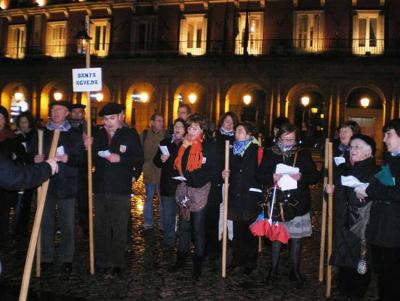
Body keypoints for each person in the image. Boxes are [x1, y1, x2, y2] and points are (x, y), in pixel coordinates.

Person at [258, 123, 319, 287]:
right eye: (285, 139)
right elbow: (260, 175)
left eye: (291, 139)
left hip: (298, 201)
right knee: (277, 238)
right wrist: (272, 177)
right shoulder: (270, 153)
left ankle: (295, 271)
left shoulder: (303, 154)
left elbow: (314, 176)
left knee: (296, 239)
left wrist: (301, 176)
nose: (288, 143)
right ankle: (274, 270)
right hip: (278, 202)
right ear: (279, 138)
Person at [31, 101, 83, 272]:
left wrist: (69, 159)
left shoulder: (75, 134)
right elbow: (31, 153)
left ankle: (67, 257)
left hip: (67, 184)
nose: (55, 112)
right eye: (52, 110)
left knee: (67, 223)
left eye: (59, 110)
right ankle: (46, 257)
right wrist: (35, 159)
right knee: (45, 222)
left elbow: (81, 159)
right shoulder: (41, 133)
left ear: (67, 112)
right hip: (46, 183)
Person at [92, 103, 143, 277]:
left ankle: (117, 263)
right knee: (100, 226)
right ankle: (101, 261)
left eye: (112, 118)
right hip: (100, 188)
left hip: (120, 189)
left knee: (119, 227)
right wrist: (87, 148)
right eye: (105, 119)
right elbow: (90, 159)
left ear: (121, 116)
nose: (108, 123)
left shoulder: (130, 134)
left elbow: (138, 159)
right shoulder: (98, 135)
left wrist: (120, 158)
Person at [326, 134, 378, 299]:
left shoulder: (376, 172)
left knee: (360, 263)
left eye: (357, 147)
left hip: (362, 224)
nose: (352, 150)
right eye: (351, 147)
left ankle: (356, 294)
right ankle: (344, 291)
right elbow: (336, 198)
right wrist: (329, 193)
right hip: (343, 223)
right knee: (344, 263)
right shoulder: (345, 170)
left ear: (368, 152)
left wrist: (366, 194)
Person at [355, 118, 400, 301]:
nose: (384, 139)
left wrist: (368, 190)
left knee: (392, 276)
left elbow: (396, 192)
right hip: (383, 226)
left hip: (394, 229)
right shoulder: (392, 158)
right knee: (383, 273)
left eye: (389, 134)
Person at [170, 114, 216, 280]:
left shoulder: (209, 147)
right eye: (189, 127)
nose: (190, 131)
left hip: (200, 191)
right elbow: (178, 166)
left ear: (202, 130)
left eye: (194, 128)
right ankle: (180, 259)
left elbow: (209, 170)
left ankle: (198, 264)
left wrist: (191, 177)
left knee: (197, 228)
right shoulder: (184, 145)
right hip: (184, 189)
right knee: (184, 226)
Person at [222, 121, 262, 276]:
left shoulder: (256, 150)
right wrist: (225, 173)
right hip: (236, 195)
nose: (236, 133)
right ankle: (237, 260)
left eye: (239, 131)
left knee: (250, 232)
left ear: (248, 134)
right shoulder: (232, 150)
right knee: (238, 231)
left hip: (250, 196)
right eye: (236, 131)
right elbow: (230, 169)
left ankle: (250, 262)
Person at [206, 112, 238, 258]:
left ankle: (231, 236)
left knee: (230, 207)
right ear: (222, 122)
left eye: (232, 122)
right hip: (219, 180)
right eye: (227, 122)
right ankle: (218, 235)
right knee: (220, 207)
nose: (229, 125)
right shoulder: (215, 137)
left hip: (233, 180)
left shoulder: (238, 138)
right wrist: (220, 172)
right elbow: (213, 158)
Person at [153, 118, 186, 247]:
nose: (178, 129)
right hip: (167, 185)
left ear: (185, 130)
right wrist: (161, 159)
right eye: (176, 126)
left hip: (183, 186)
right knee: (168, 215)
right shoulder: (165, 143)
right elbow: (156, 162)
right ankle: (169, 240)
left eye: (181, 127)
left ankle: (184, 243)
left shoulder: (188, 144)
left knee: (184, 217)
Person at [0, 105, 26, 249]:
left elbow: (22, 157)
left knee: (3, 215)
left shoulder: (12, 138)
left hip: (5, 184)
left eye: (1, 118)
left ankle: (2, 242)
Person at [12, 111, 38, 237]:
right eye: (21, 122)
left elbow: (31, 153)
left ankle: (23, 228)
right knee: (17, 201)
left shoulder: (34, 135)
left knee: (26, 201)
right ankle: (16, 228)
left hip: (29, 172)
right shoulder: (15, 136)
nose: (23, 124)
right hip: (17, 172)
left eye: (25, 122)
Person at [140, 113, 166, 230]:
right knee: (149, 197)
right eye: (158, 121)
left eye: (162, 121)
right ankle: (148, 221)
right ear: (152, 122)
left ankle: (162, 222)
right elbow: (139, 152)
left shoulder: (166, 135)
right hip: (149, 170)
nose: (161, 123)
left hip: (162, 172)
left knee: (162, 198)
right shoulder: (145, 135)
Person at [69, 103, 89, 236]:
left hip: (83, 169)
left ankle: (85, 225)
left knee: (84, 200)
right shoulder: (66, 128)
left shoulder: (89, 128)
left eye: (79, 112)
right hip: (69, 168)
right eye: (74, 112)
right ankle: (69, 226)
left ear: (83, 114)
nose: (77, 115)